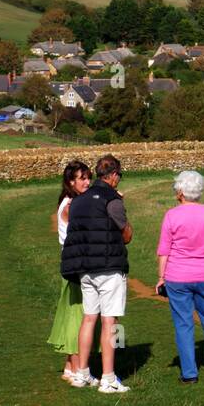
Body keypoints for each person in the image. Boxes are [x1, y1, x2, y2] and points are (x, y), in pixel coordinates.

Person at [61, 154, 132, 393]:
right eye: (119, 175)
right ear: (112, 175)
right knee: (109, 321)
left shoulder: (78, 201)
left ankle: (82, 373)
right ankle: (108, 378)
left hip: (85, 269)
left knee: (88, 318)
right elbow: (127, 235)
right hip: (109, 267)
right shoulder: (112, 199)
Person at [156, 170, 204, 382]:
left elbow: (164, 251)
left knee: (183, 323)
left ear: (180, 192)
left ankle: (189, 373)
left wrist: (162, 277)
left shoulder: (171, 215)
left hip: (177, 276)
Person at [47, 159, 92, 382]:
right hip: (77, 265)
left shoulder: (68, 201)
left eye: (88, 177)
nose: (87, 182)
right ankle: (77, 368)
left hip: (70, 262)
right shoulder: (73, 205)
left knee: (73, 312)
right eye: (82, 178)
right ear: (70, 181)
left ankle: (68, 366)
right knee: (79, 316)